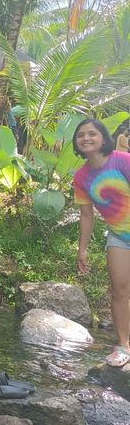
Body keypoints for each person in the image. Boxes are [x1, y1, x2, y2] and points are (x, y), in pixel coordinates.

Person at [73, 118, 130, 367]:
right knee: (119, 290)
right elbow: (87, 216)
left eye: (92, 134)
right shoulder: (81, 176)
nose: (86, 138)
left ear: (104, 138)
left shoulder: (122, 160)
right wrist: (82, 250)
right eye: (81, 135)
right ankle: (123, 346)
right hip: (118, 236)